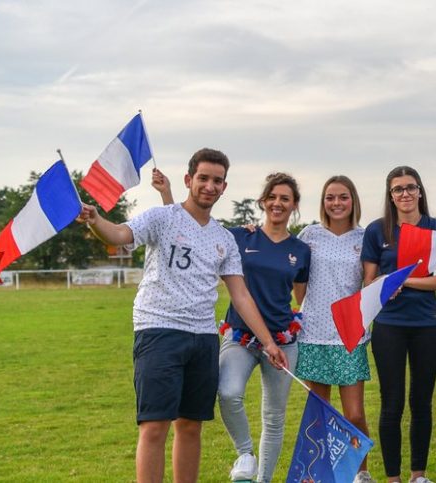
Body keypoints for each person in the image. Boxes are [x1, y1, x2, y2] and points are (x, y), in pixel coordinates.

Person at [76, 148, 287, 483]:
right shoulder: (163, 217)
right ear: (189, 180)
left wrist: (268, 342)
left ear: (224, 187)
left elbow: (241, 294)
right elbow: (118, 234)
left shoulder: (223, 238)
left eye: (217, 181)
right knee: (154, 426)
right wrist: (94, 220)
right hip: (159, 330)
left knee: (190, 426)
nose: (209, 185)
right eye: (203, 178)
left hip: (203, 338)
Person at [215, 173, 310, 483]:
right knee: (228, 394)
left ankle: (264, 480)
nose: (278, 203)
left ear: (294, 205)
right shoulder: (242, 236)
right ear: (263, 201)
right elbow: (197, 230)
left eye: (285, 198)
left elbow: (301, 297)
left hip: (282, 343)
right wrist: (166, 194)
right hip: (241, 336)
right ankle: (246, 454)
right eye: (273, 197)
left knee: (274, 418)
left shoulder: (300, 249)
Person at [361, 166, 436, 483]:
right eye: (398, 189)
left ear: (420, 191)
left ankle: (418, 474)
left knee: (421, 402)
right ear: (390, 195)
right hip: (389, 326)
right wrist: (387, 283)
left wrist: (406, 281)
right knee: (392, 403)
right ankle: (393, 477)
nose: (405, 194)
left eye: (410, 187)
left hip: (425, 325)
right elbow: (369, 283)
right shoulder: (377, 231)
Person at [293, 176, 375, 483]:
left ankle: (361, 472)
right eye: (330, 197)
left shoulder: (365, 237)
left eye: (343, 197)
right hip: (314, 333)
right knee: (320, 412)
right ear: (323, 201)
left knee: (353, 413)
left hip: (350, 335)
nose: (336, 203)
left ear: (353, 200)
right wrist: (312, 311)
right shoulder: (309, 235)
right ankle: (321, 472)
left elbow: (368, 284)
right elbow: (299, 286)